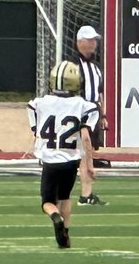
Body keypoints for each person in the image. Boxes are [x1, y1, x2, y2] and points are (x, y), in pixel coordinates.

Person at [27, 61, 97, 249]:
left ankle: (55, 217)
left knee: (48, 202)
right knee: (65, 196)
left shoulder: (39, 103)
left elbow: (35, 124)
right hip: (71, 160)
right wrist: (90, 164)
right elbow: (86, 138)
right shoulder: (83, 105)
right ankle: (65, 233)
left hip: (50, 160)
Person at [74, 25, 107, 205]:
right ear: (79, 42)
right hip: (79, 113)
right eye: (89, 40)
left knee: (86, 152)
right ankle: (84, 193)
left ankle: (87, 194)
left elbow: (99, 93)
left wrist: (102, 114)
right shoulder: (72, 66)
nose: (93, 44)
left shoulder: (95, 68)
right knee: (81, 152)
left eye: (94, 40)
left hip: (92, 113)